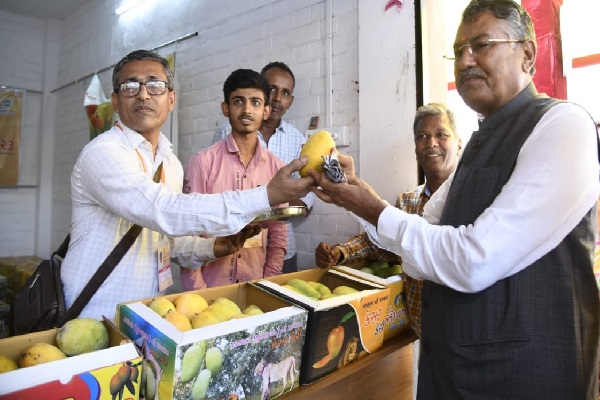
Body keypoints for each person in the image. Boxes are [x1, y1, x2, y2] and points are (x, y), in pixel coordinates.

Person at [309, 1, 600, 398]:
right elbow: (421, 243)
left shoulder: (562, 125)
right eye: (459, 51)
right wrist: (354, 195)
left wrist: (371, 207)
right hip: (454, 374)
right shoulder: (479, 146)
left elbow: (474, 259)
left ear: (527, 53)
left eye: (482, 45)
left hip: (523, 378)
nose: (465, 61)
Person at [61, 50, 314, 321]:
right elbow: (163, 210)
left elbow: (167, 243)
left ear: (171, 100)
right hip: (96, 313)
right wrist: (265, 195)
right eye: (130, 86)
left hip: (150, 314)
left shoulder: (169, 163)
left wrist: (215, 247)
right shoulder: (103, 152)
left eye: (155, 85)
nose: (143, 94)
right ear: (115, 101)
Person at [314, 103, 461, 338]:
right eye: (422, 136)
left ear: (459, 143)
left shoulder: (469, 199)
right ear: (415, 148)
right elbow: (382, 243)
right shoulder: (407, 201)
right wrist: (341, 252)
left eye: (441, 134)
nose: (431, 143)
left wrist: (363, 200)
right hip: (420, 333)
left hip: (460, 335)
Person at [181, 69, 287, 289]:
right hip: (210, 288)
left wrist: (267, 283)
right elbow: (188, 233)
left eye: (255, 102)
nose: (247, 109)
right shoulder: (202, 162)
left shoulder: (276, 168)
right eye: (238, 101)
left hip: (256, 283)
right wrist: (198, 293)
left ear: (266, 111)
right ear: (225, 108)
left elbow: (277, 233)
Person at [213, 62, 315, 273]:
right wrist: (267, 199)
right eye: (272, 89)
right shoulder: (227, 132)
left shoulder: (297, 139)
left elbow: (308, 195)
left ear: (291, 101)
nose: (277, 98)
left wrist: (278, 202)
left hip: (283, 249)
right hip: (236, 246)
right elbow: (216, 190)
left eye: (285, 93)